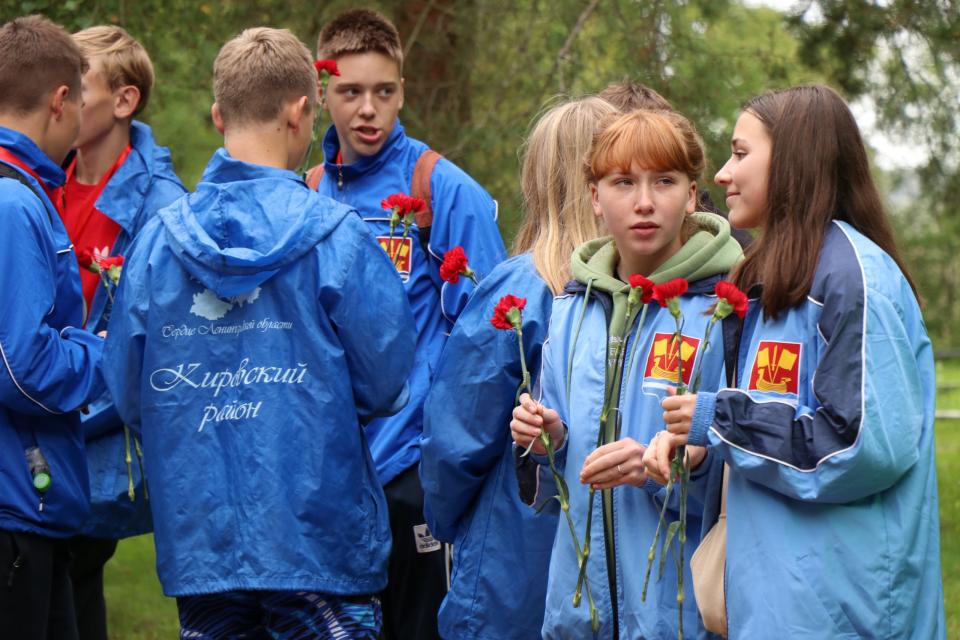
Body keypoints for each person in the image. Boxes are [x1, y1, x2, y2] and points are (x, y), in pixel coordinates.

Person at [101, 27, 415, 639]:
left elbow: (130, 393)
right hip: (319, 539)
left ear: (218, 116)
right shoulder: (339, 237)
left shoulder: (156, 243)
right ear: (301, 112)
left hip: (205, 538)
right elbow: (386, 381)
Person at [647, 84, 946, 638]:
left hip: (846, 614)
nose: (722, 175)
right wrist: (702, 443)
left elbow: (857, 446)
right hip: (775, 610)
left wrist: (722, 421)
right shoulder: (771, 277)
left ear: (793, 159)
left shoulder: (852, 277)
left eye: (740, 153)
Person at [308, 9, 507, 638]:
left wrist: (451, 458)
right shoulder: (307, 193)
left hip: (414, 473)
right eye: (350, 92)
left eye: (384, 91)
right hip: (330, 477)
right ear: (322, 92)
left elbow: (496, 336)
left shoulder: (442, 189)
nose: (368, 109)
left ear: (402, 91)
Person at [511, 109, 742, 639]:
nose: (644, 202)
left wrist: (668, 470)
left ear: (691, 195)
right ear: (595, 197)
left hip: (677, 617)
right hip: (578, 616)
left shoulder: (725, 312)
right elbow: (550, 491)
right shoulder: (569, 311)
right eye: (623, 183)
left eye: (664, 181)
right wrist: (548, 442)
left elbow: (746, 476)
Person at [420, 95, 617, 640]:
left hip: (513, 560)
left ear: (538, 180)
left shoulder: (519, 290)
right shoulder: (639, 297)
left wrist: (446, 522)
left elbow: (456, 436)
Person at [62, 25, 186, 640]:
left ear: (124, 100)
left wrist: (57, 415)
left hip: (84, 439)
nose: (58, 99)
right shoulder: (39, 180)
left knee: (62, 579)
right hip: (37, 423)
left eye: (76, 87)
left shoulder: (161, 209)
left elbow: (154, 354)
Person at [0, 15, 105, 640]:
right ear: (60, 100)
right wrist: (103, 353)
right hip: (13, 509)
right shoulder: (12, 204)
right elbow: (21, 366)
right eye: (82, 102)